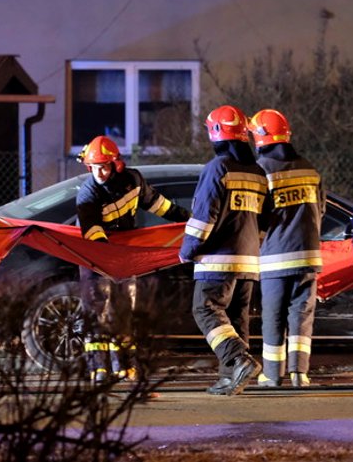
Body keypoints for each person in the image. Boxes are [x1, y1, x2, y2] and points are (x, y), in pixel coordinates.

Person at [75, 135, 190, 383]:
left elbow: (159, 205)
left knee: (125, 310)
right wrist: (109, 259)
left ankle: (125, 366)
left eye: (104, 167)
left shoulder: (133, 181)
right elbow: (92, 230)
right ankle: (99, 370)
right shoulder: (87, 194)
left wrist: (186, 219)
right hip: (95, 259)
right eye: (94, 168)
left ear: (116, 164)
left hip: (124, 257)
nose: (100, 173)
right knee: (98, 312)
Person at [179, 105, 264, 396]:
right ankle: (231, 379)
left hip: (217, 259)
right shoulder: (257, 171)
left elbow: (204, 215)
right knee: (237, 318)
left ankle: (238, 360)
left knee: (205, 309)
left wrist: (188, 249)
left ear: (216, 133)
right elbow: (265, 219)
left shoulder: (218, 168)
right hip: (249, 260)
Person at [250, 108, 324, 388]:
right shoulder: (309, 168)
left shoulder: (262, 171)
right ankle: (299, 373)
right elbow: (322, 209)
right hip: (308, 256)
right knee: (302, 317)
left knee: (273, 317)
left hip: (275, 258)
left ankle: (272, 374)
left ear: (260, 137)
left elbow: (257, 215)